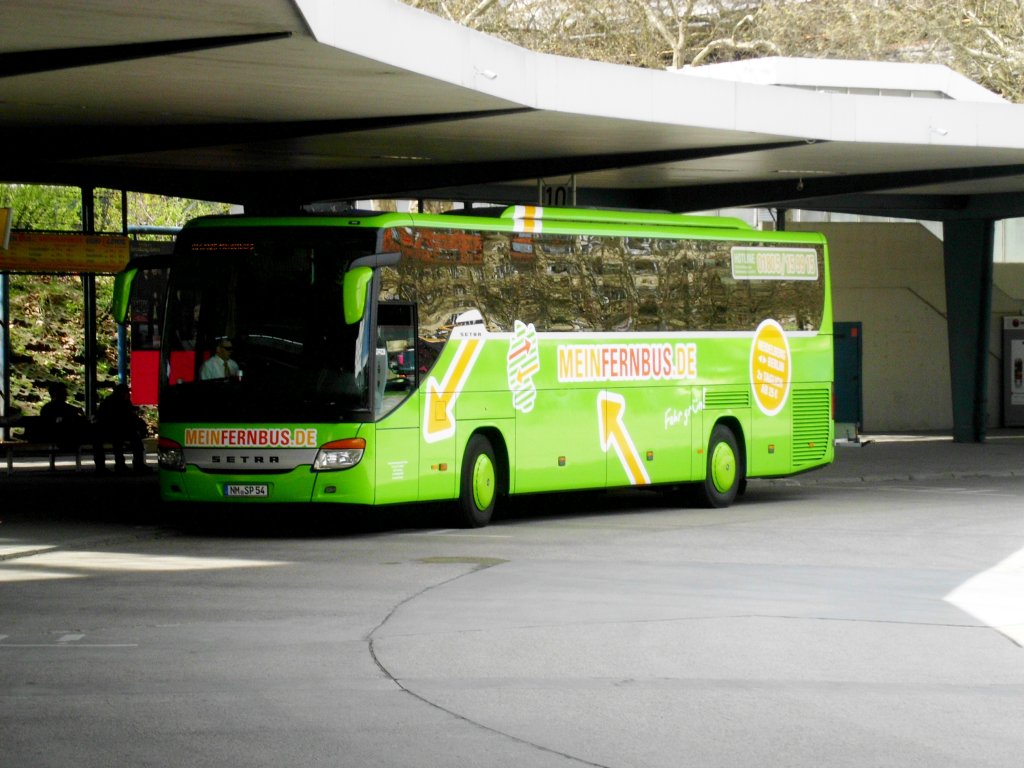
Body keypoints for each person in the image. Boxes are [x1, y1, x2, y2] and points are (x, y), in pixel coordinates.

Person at [92, 383, 149, 474]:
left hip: (113, 430)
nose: (129, 394)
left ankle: (117, 465)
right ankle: (135, 464)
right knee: (132, 440)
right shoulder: (118, 402)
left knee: (129, 440)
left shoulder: (110, 401)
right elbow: (128, 417)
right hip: (113, 430)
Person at [34, 381, 89, 449]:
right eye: (64, 393)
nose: (66, 394)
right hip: (68, 438)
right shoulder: (69, 409)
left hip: (50, 437)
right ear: (57, 394)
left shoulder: (46, 408)